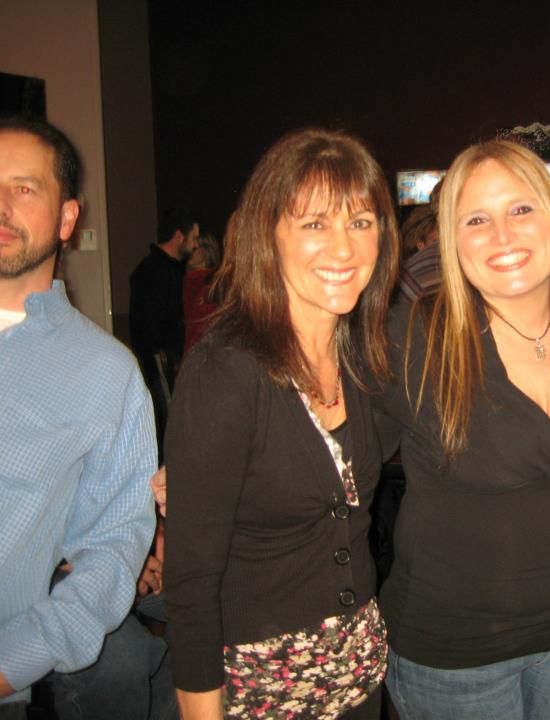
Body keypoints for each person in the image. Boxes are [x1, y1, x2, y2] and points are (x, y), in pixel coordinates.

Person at [374, 140, 550, 720]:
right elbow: (325, 435)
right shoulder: (413, 337)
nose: (503, 236)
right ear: (450, 239)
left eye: (520, 209)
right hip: (457, 659)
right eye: (477, 220)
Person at [163, 127, 398, 720]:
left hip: (358, 678)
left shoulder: (364, 357)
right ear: (269, 234)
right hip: (261, 692)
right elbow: (191, 581)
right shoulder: (226, 370)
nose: (344, 248)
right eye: (315, 223)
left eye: (360, 222)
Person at [0, 116, 157, 717]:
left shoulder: (105, 373)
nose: (2, 204)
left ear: (68, 219)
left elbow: (111, 549)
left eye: (24, 188)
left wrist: (11, 662)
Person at [129, 207, 199, 449]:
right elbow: (153, 326)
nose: (196, 245)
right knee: (171, 424)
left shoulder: (167, 270)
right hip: (162, 362)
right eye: (193, 238)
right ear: (179, 236)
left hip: (169, 360)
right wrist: (169, 354)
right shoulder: (156, 272)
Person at [181, 229, 221, 357]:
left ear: (206, 251)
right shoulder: (186, 280)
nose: (190, 251)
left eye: (195, 248)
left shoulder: (211, 282)